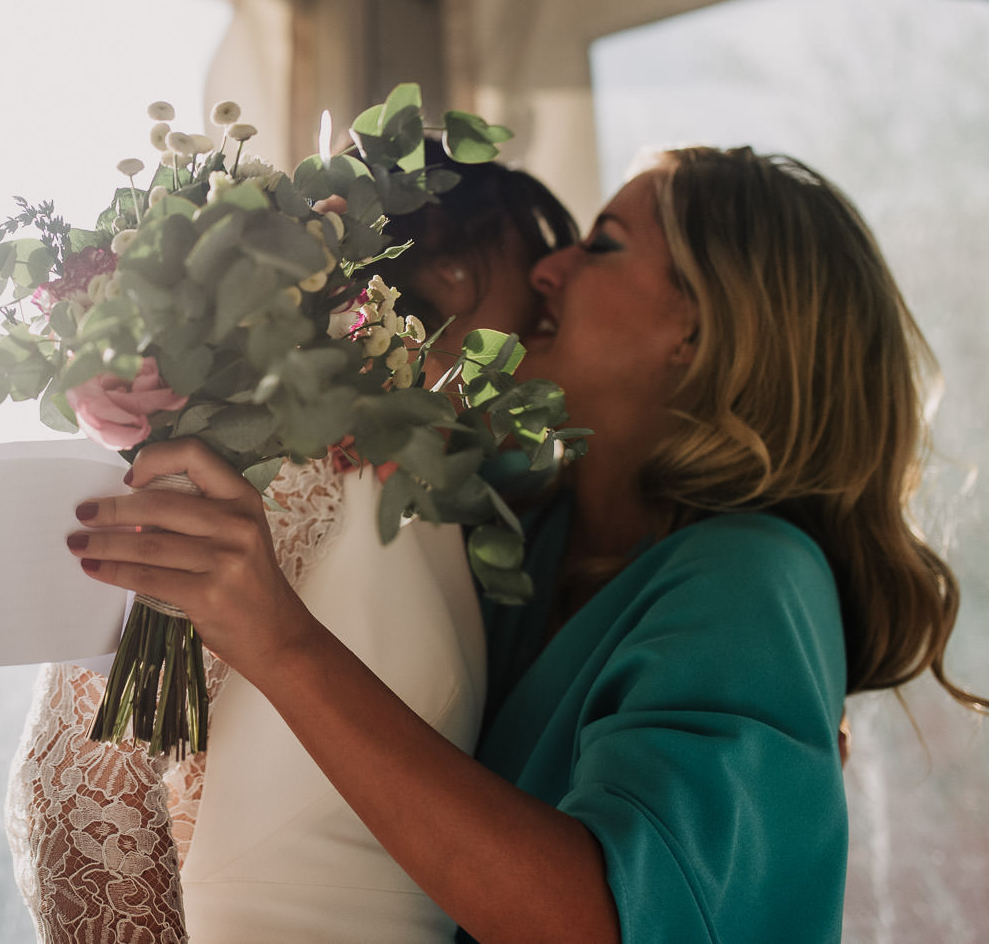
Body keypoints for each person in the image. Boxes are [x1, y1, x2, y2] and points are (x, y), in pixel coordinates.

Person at [66, 146, 988, 942]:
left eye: (604, 245)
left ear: (699, 329)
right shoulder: (521, 525)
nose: (549, 269)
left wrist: (283, 645)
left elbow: (605, 925)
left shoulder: (753, 577)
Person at [5, 153, 578, 942]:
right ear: (448, 274)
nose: (555, 306)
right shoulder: (287, 463)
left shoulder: (428, 498)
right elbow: (80, 781)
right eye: (536, 284)